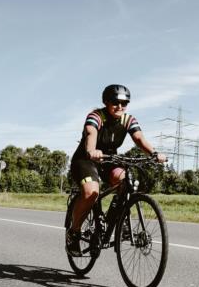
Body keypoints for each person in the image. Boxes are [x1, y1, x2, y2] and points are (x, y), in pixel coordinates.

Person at [65, 84, 167, 256]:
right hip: (86, 160)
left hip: (110, 159)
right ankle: (73, 233)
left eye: (124, 103)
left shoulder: (127, 119)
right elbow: (91, 132)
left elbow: (139, 138)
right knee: (91, 192)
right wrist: (91, 150)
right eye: (115, 102)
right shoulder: (97, 116)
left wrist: (154, 153)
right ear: (106, 101)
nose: (120, 106)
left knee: (125, 180)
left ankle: (120, 221)